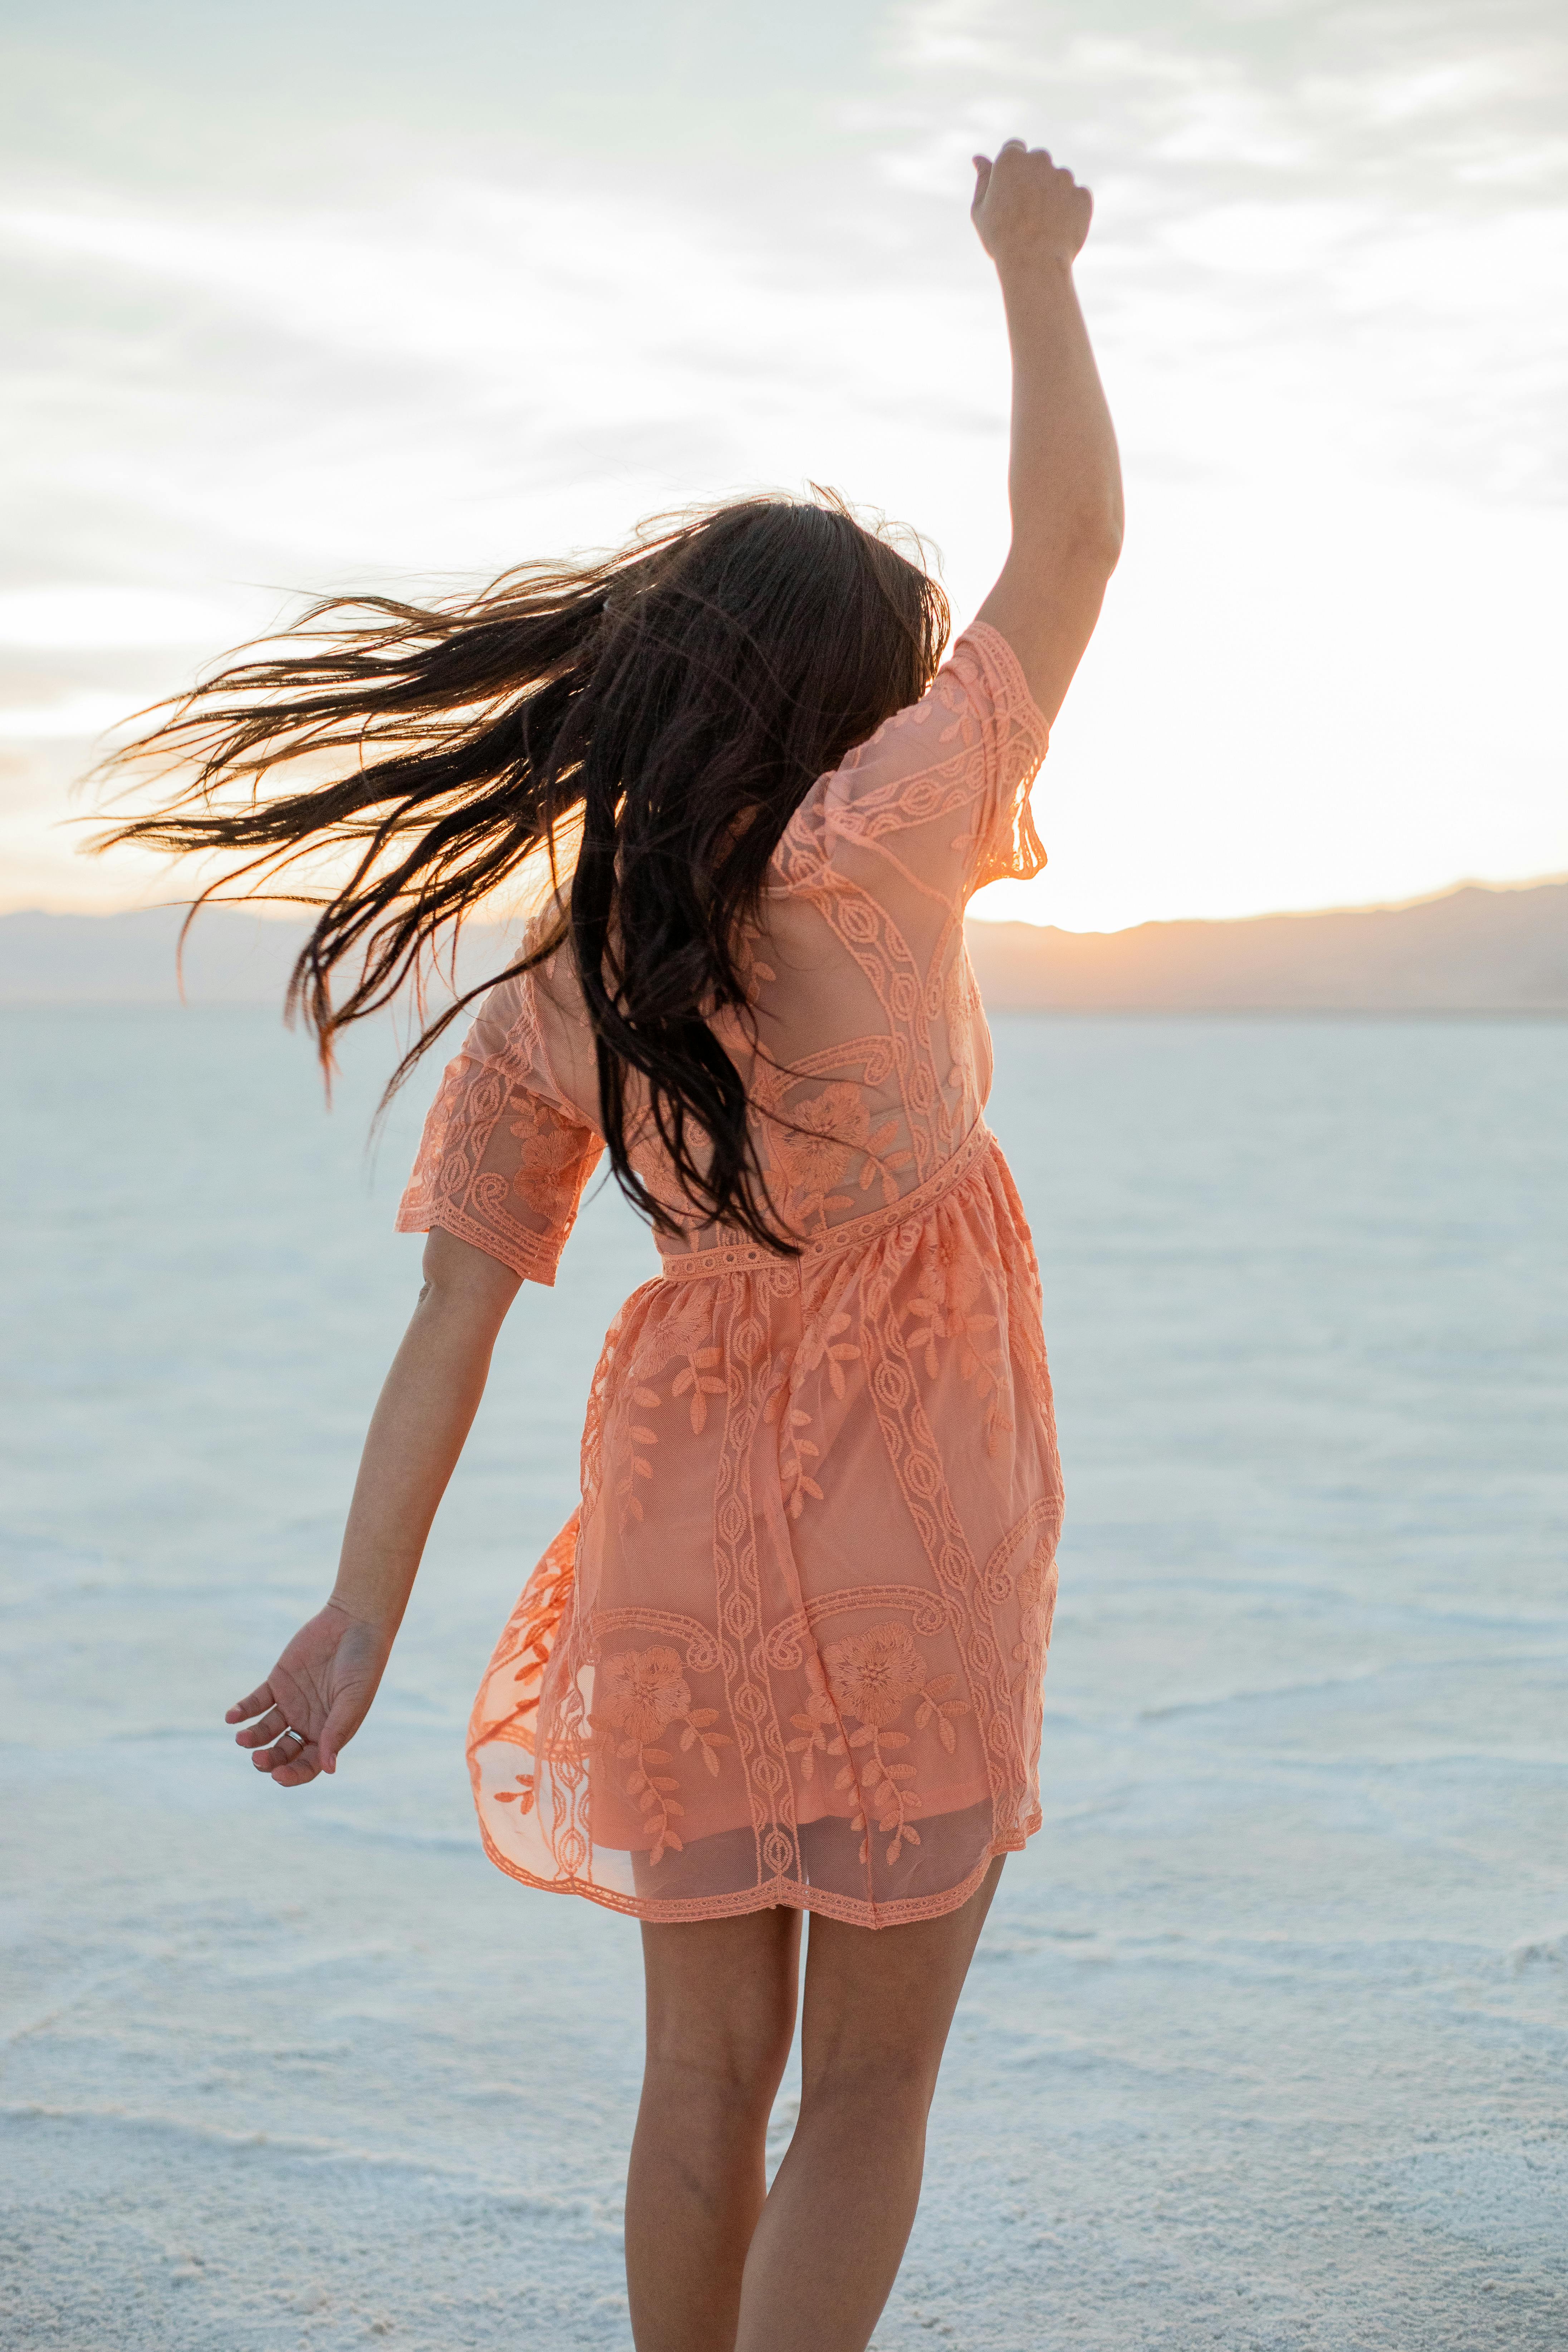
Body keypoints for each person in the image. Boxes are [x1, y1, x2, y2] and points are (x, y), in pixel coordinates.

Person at [101, 139, 1121, 2352]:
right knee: (866, 2088)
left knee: (697, 2090)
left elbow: (452, 1327)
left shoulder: (573, 976)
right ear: (852, 685)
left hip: (684, 1535)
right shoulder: (886, 838)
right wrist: (1036, 268)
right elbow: (1082, 540)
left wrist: (361, 1615)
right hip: (916, 1509)